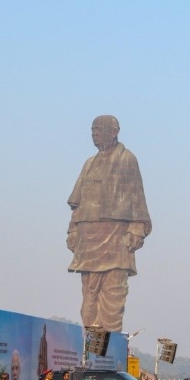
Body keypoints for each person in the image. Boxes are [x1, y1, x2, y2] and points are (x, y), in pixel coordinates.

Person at [67, 115, 152, 332]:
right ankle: (91, 348)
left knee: (113, 296)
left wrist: (136, 228)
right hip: (89, 239)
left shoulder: (127, 159)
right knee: (89, 298)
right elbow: (77, 204)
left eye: (98, 129)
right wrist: (73, 230)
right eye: (92, 129)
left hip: (116, 236)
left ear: (114, 131)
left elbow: (136, 196)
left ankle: (107, 350)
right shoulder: (89, 163)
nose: (94, 133)